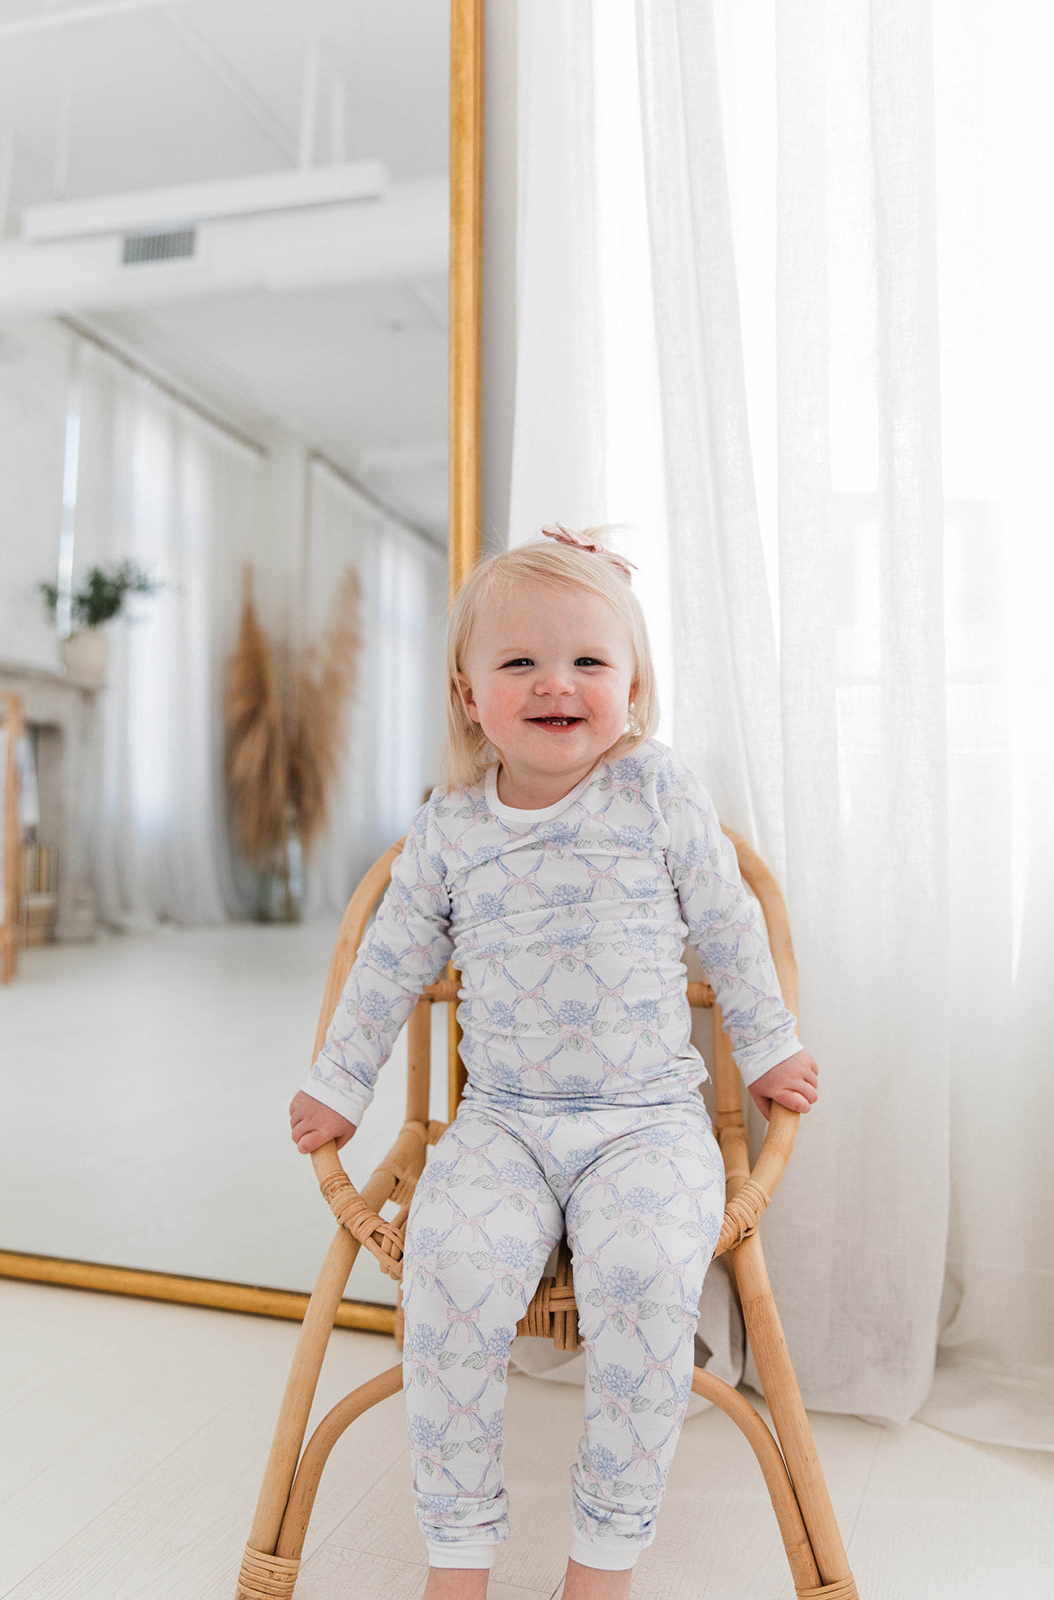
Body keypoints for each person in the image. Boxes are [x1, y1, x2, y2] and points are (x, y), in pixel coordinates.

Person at [289, 525, 819, 1600]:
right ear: (467, 691)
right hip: (504, 1123)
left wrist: (767, 1046)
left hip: (649, 1119)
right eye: (518, 662)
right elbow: (388, 961)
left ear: (632, 685)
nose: (554, 684)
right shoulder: (447, 829)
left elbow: (726, 922)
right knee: (446, 1271)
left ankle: (600, 1564)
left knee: (641, 1277)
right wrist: (336, 1083)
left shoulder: (655, 794)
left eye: (587, 660)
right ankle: (457, 1559)